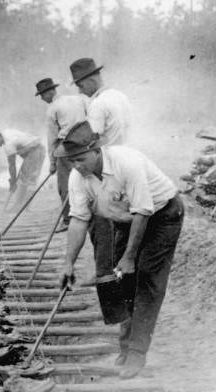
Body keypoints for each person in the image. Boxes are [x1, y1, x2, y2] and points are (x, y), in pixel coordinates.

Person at [56, 121, 184, 379]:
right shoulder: (77, 177)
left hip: (162, 215)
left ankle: (137, 353)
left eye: (80, 159)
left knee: (148, 280)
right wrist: (68, 263)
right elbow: (79, 219)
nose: (76, 166)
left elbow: (143, 210)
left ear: (97, 151)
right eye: (71, 161)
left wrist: (129, 257)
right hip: (125, 219)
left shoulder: (127, 162)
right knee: (122, 281)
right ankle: (125, 347)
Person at [69, 57, 134, 331]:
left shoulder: (97, 104)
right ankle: (127, 311)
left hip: (102, 171)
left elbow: (89, 141)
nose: (80, 90)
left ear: (90, 80)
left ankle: (116, 314)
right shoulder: (120, 96)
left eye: (81, 85)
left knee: (103, 244)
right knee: (121, 244)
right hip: (124, 168)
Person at [35, 77, 89, 233]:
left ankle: (67, 220)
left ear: (49, 92)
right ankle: (88, 214)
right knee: (86, 180)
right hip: (86, 145)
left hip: (66, 148)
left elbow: (52, 139)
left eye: (42, 95)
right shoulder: (77, 99)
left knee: (65, 186)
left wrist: (52, 162)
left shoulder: (52, 108)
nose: (42, 99)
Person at [0, 129, 45, 209]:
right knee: (23, 180)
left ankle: (24, 207)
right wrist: (13, 180)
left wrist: (13, 181)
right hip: (34, 150)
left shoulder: (8, 143)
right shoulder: (7, 133)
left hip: (36, 151)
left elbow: (12, 165)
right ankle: (19, 205)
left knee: (29, 180)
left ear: (0, 136)